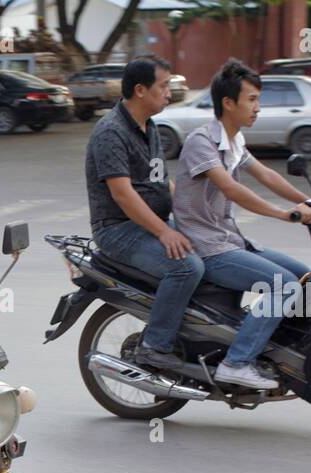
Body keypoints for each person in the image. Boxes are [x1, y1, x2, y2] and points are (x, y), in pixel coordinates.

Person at [173, 59, 311, 391]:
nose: (257, 108)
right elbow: (231, 188)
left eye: (257, 100)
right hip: (206, 246)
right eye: (251, 100)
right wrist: (285, 215)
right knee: (285, 285)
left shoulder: (234, 142)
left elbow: (266, 175)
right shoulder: (201, 142)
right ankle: (236, 363)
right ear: (228, 103)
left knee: (307, 278)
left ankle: (273, 348)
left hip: (230, 238)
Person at [85, 55, 203, 371]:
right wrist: (165, 231)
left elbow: (162, 182)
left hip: (149, 223)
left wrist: (194, 217)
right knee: (186, 268)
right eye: (163, 86)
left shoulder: (149, 127)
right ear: (140, 90)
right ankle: (154, 346)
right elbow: (123, 195)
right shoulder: (111, 131)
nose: (169, 92)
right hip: (118, 230)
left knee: (214, 245)